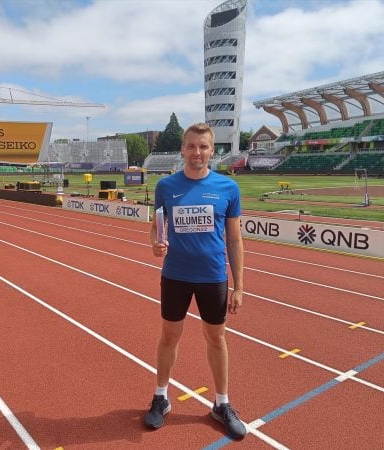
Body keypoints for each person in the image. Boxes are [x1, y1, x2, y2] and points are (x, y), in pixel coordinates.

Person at [144, 123, 246, 440]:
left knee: (216, 339)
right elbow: (157, 226)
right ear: (182, 150)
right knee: (169, 336)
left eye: (203, 147)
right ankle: (161, 397)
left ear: (212, 151)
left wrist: (239, 286)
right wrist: (155, 243)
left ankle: (222, 404)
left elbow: (235, 240)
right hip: (175, 275)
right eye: (191, 146)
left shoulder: (228, 188)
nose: (196, 152)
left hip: (213, 277)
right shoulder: (166, 186)